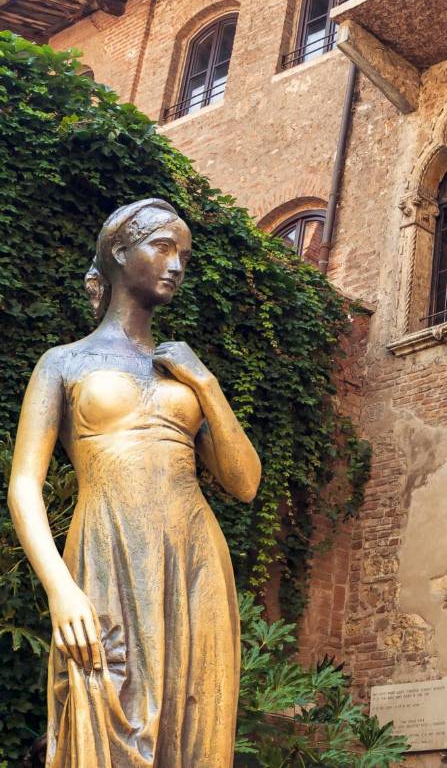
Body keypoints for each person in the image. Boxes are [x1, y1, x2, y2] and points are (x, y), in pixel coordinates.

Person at [7, 199, 261, 767]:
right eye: (163, 247)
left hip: (193, 560)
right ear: (120, 252)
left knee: (193, 728)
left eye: (185, 256)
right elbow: (25, 483)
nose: (176, 265)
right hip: (106, 550)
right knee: (102, 706)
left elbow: (244, 483)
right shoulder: (63, 362)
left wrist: (206, 383)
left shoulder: (185, 370)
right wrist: (60, 588)